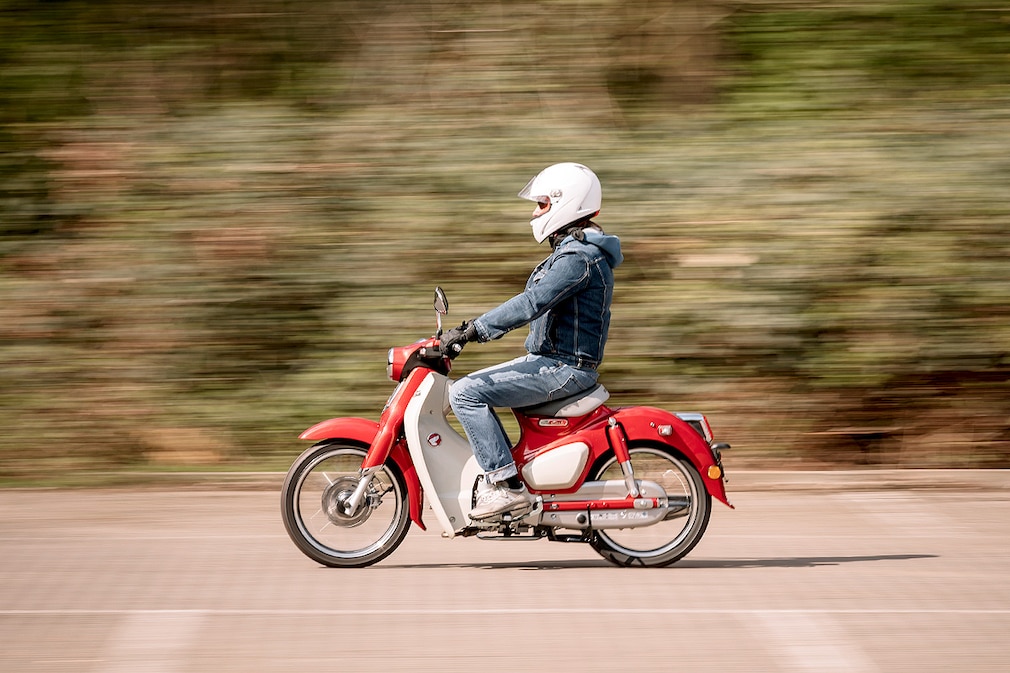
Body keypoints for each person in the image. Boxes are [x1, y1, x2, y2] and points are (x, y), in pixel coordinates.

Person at [441, 162, 623, 521]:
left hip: (564, 368)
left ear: (564, 202)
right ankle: (501, 471)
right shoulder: (573, 252)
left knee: (465, 393)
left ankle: (506, 487)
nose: (535, 212)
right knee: (461, 391)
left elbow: (530, 304)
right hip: (549, 361)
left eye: (541, 204)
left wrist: (472, 330)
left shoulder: (579, 258)